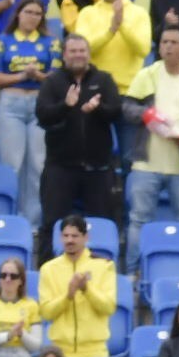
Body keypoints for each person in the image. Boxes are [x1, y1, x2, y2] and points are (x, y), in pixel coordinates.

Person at [36, 33, 123, 258]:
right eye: (73, 51)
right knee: (52, 224)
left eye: (82, 51)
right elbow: (43, 115)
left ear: (88, 54)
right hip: (60, 167)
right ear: (64, 55)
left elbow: (116, 112)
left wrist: (98, 108)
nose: (78, 55)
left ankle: (103, 273)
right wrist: (65, 106)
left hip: (98, 168)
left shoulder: (104, 79)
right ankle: (46, 273)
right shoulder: (52, 82)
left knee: (102, 224)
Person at [122, 26, 179, 268]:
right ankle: (133, 274)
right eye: (164, 42)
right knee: (138, 221)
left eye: (174, 42)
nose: (168, 46)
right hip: (146, 163)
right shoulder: (148, 74)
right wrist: (146, 115)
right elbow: (127, 107)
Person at [39, 213, 117, 357]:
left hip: (94, 352)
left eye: (75, 235)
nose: (69, 240)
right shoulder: (49, 269)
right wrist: (68, 295)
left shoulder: (104, 266)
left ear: (86, 237)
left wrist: (86, 289)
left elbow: (108, 306)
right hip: (61, 355)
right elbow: (46, 311)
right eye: (65, 235)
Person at [0, 0, 59, 225]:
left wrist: (39, 76)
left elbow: (56, 76)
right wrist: (22, 75)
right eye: (28, 12)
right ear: (18, 13)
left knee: (38, 164)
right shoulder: (4, 41)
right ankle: (9, 219)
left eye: (37, 13)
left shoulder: (51, 42)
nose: (32, 17)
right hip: (11, 103)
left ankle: (33, 222)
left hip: (39, 103)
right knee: (12, 163)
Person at [74, 0, 154, 107]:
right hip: (95, 90)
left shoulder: (139, 12)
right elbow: (82, 50)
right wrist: (111, 31)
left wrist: (121, 25)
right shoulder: (87, 13)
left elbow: (143, 50)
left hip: (130, 92)